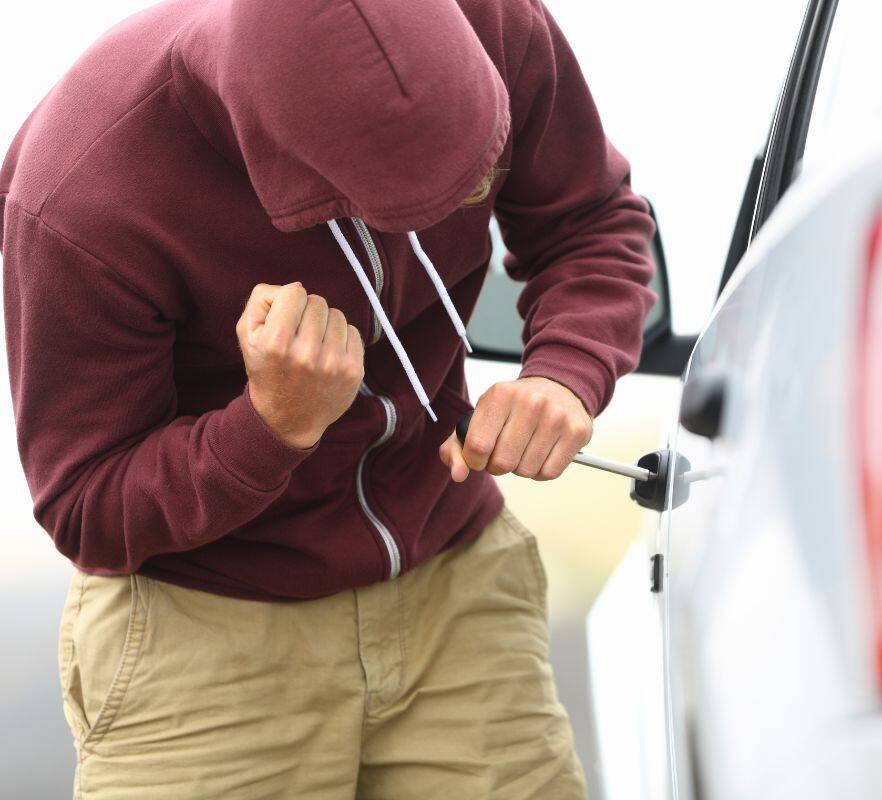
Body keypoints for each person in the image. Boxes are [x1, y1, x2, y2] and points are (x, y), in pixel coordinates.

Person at [0, 0, 656, 796]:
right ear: (298, 177)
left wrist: (565, 370)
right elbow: (85, 505)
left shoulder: (495, 21)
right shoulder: (81, 196)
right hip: (204, 632)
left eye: (480, 171)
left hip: (456, 581)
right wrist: (269, 427)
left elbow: (589, 218)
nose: (475, 196)